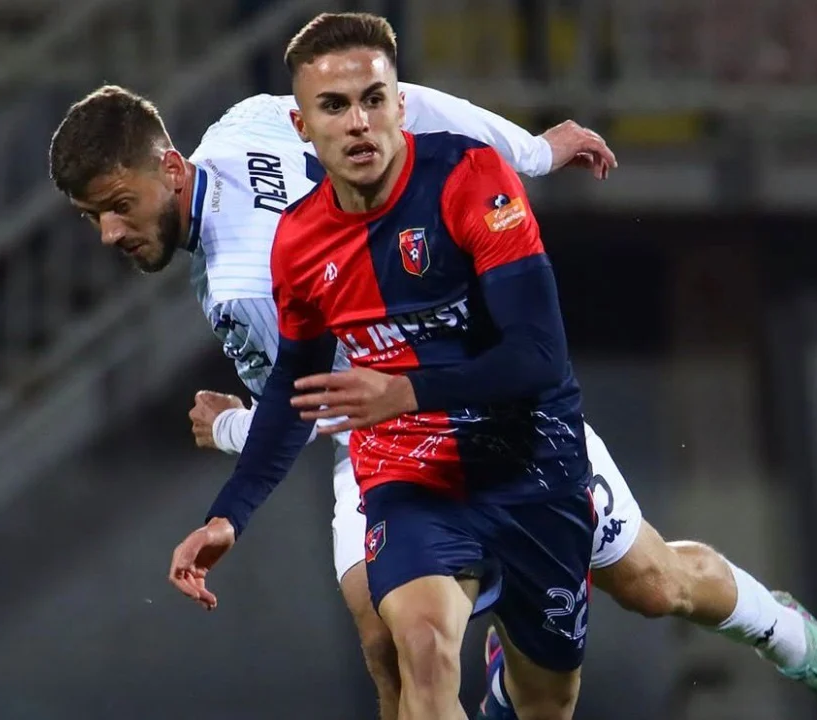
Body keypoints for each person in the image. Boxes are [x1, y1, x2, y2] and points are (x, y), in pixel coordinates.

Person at [170, 13, 817, 720]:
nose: (357, 123)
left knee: (644, 596)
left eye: (373, 100)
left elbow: (539, 359)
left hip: (528, 453)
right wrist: (229, 514)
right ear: (303, 125)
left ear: (399, 106)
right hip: (405, 469)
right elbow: (302, 392)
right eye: (334, 107)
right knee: (414, 650)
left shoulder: (468, 181)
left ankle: (787, 634)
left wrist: (532, 154)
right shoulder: (294, 245)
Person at [47, 64, 615, 720]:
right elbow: (403, 104)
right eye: (93, 216)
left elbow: (328, 405)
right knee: (394, 646)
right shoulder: (240, 125)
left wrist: (231, 429)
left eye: (119, 206)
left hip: (456, 401)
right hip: (399, 417)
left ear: (171, 169)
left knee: (654, 585)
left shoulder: (244, 285)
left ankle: (731, 628)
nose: (109, 234)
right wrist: (534, 151)